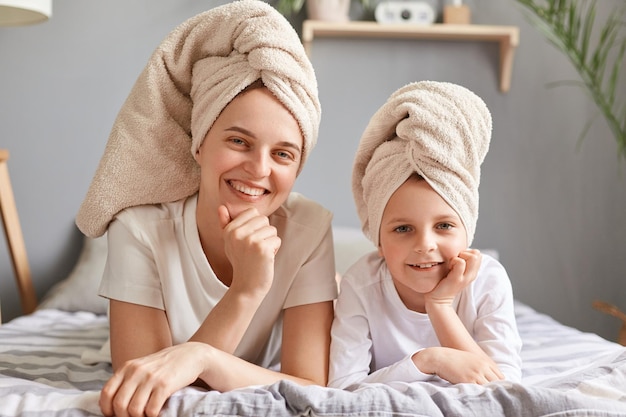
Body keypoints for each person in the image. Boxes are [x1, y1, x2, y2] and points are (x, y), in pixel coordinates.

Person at [75, 2, 337, 416]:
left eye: (283, 154)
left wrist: (201, 357)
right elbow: (147, 387)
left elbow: (311, 387)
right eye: (238, 141)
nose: (258, 169)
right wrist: (246, 291)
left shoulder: (310, 229)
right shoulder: (139, 226)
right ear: (199, 143)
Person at [328, 81, 522, 389]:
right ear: (378, 241)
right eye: (403, 229)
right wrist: (429, 361)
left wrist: (441, 305)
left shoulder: (488, 281)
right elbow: (342, 389)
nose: (425, 245)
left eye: (444, 226)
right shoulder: (360, 285)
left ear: (467, 232)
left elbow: (504, 387)